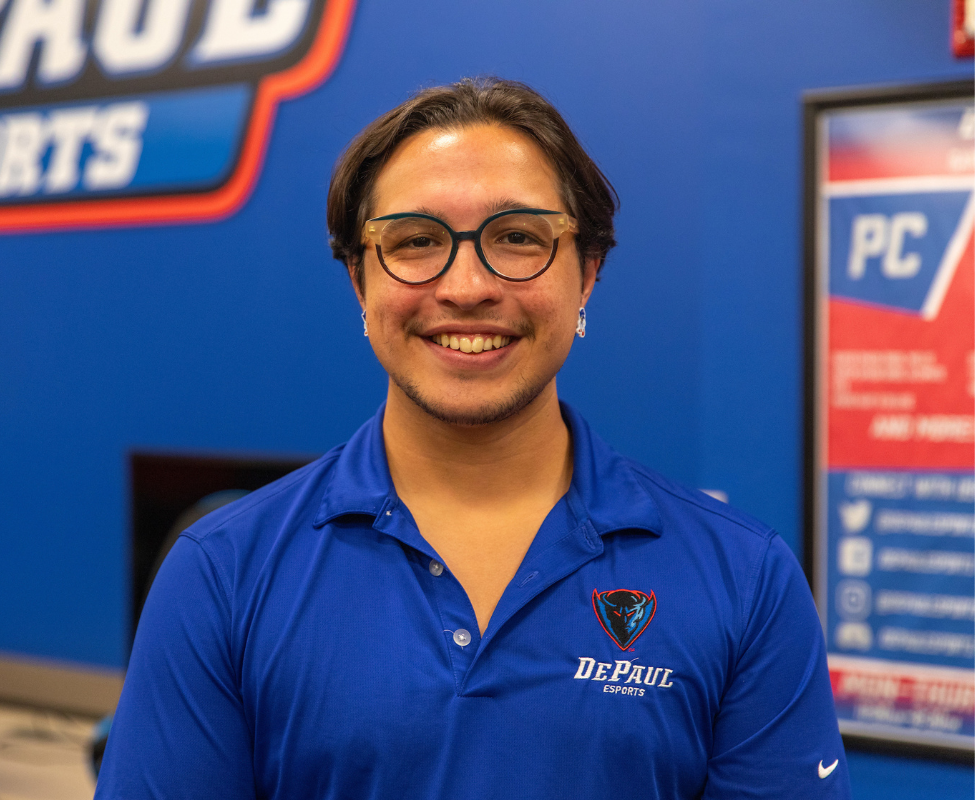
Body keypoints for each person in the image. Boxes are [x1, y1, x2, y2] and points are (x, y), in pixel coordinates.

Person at [95, 77, 850, 799]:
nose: (466, 286)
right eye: (416, 240)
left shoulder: (744, 580)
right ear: (360, 280)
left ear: (587, 273)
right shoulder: (222, 574)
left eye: (517, 236)